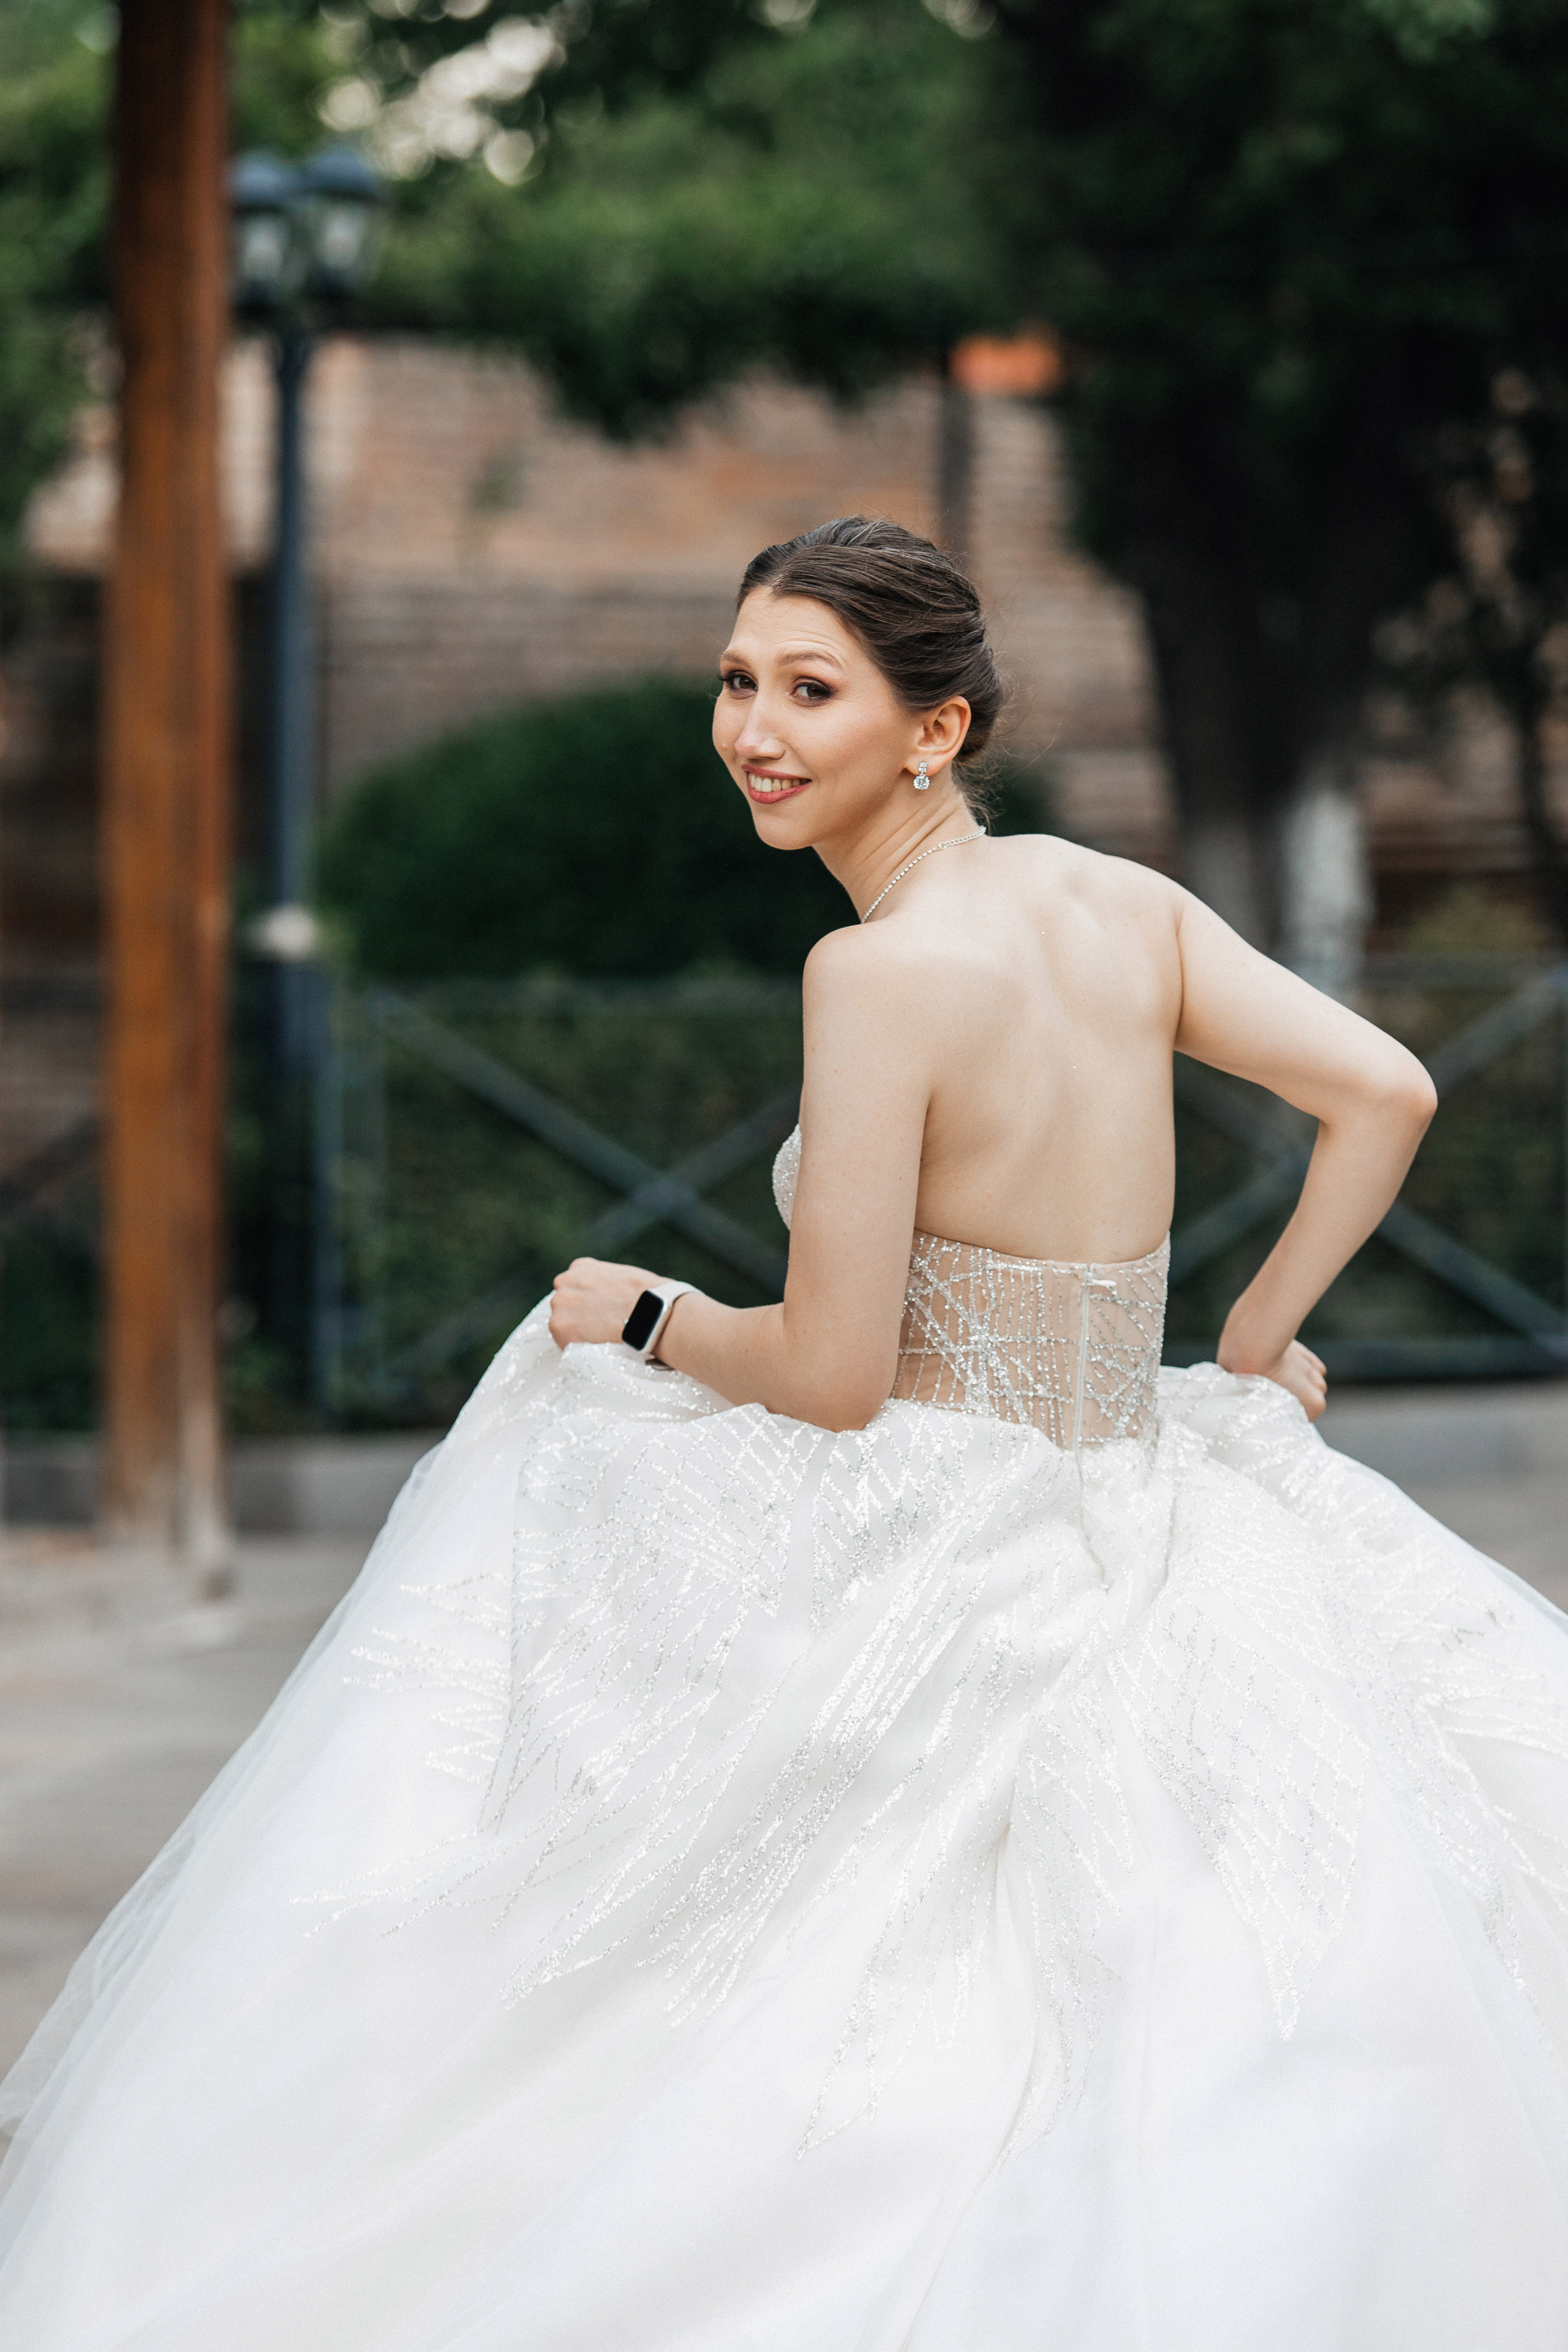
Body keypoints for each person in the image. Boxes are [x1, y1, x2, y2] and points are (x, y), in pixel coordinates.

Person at [2, 517, 1566, 2350]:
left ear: (936, 730)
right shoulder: (1113, 902)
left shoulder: (878, 975)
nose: (755, 726)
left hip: (957, 1514)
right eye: (739, 681)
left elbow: (833, 1372)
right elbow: (1383, 1089)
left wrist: (646, 1313)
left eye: (811, 689)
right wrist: (1253, 1339)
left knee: (556, 1500)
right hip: (1139, 1474)